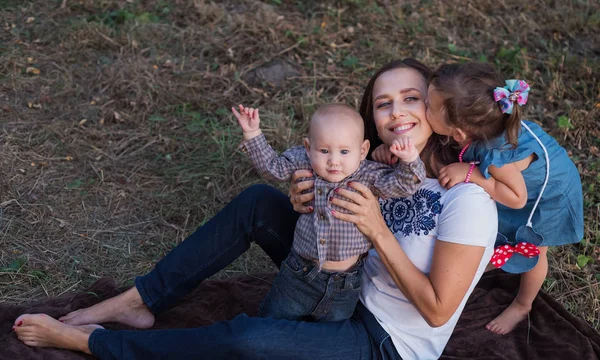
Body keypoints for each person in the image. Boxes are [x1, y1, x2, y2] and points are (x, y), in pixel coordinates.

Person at [13, 58, 498, 360]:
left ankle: (95, 343)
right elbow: (327, 197)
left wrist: (378, 231)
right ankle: (140, 301)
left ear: (438, 108)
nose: (397, 113)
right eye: (382, 103)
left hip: (382, 340)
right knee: (260, 202)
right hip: (334, 280)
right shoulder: (369, 163)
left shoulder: (468, 200)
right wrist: (303, 204)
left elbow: (437, 313)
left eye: (410, 99)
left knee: (248, 340)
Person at [423, 62, 584, 335]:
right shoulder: (480, 128)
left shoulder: (494, 156)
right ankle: (483, 265)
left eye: (428, 106)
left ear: (459, 133)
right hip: (525, 177)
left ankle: (523, 304)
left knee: (534, 249)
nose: (423, 107)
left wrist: (471, 173)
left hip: (549, 193)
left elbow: (517, 198)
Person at [231, 102, 425, 322]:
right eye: (324, 151)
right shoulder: (304, 163)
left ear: (362, 151)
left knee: (327, 334)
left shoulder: (369, 176)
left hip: (345, 284)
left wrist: (409, 160)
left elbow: (403, 185)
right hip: (298, 275)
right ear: (308, 147)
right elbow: (273, 168)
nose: (334, 161)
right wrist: (253, 133)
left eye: (344, 151)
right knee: (273, 322)